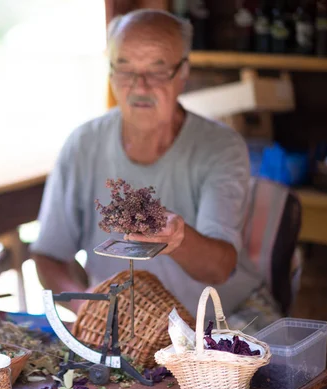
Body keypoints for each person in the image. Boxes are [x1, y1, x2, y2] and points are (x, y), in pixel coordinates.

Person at [30, 9, 280, 327]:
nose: (139, 86)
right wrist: (86, 307)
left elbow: (219, 269)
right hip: (126, 325)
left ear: (183, 73)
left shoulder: (221, 146)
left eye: (157, 71)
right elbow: (47, 256)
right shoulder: (83, 144)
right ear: (110, 73)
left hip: (219, 314)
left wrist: (178, 239)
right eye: (125, 69)